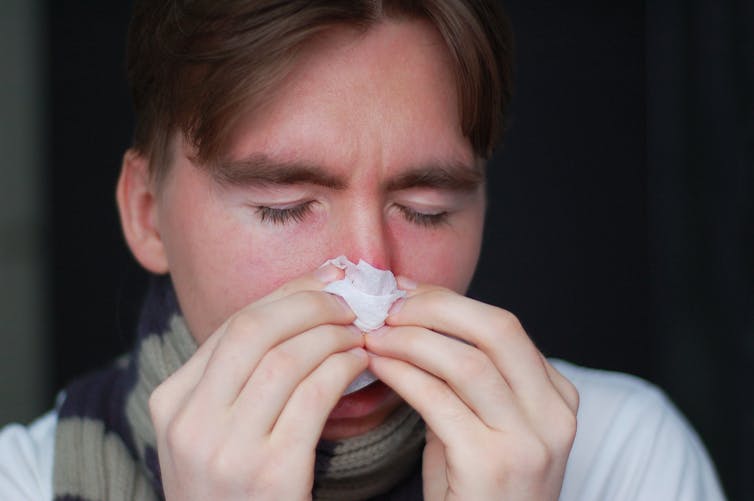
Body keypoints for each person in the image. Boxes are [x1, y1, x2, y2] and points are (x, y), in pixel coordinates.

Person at [0, 1, 726, 499]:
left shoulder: (620, 453)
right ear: (148, 214)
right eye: (282, 208)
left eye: (427, 210)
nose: (368, 280)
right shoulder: (23, 481)